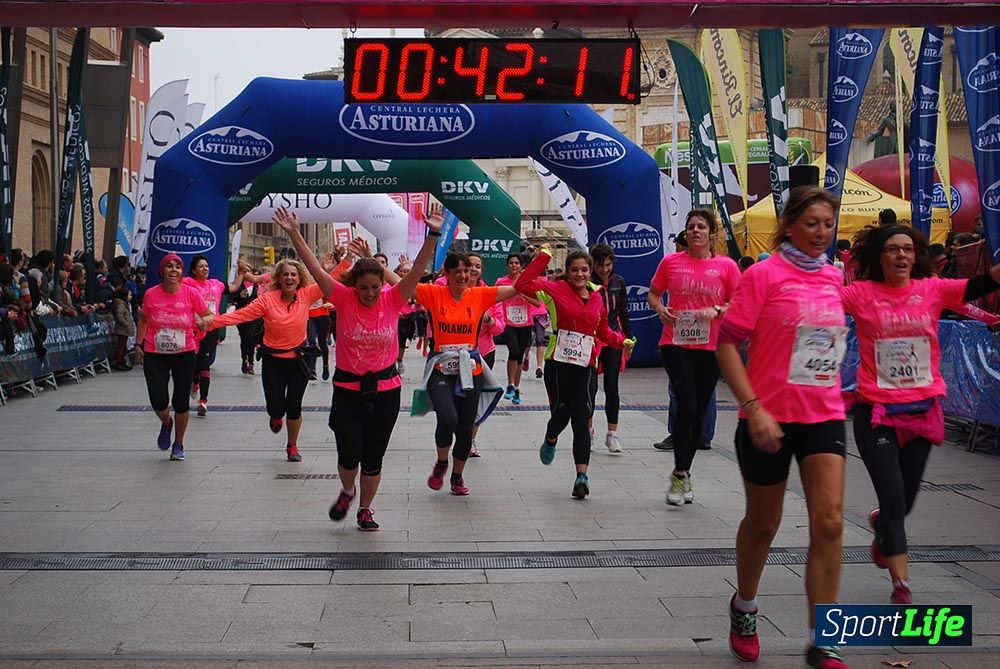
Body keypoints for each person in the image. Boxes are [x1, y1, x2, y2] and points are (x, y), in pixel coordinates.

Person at [715, 187, 850, 668]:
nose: (821, 232)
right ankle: (745, 606)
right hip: (767, 419)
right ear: (789, 225)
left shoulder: (835, 276)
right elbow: (727, 344)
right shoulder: (763, 275)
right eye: (811, 223)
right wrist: (754, 408)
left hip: (824, 413)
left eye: (828, 224)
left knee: (830, 522)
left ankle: (824, 639)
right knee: (764, 524)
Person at [842, 224, 1000, 605]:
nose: (901, 255)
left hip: (922, 410)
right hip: (875, 412)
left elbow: (981, 284)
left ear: (916, 256)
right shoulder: (860, 294)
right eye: (892, 249)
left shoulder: (932, 289)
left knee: (904, 502)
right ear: (879, 256)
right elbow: (811, 303)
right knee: (894, 498)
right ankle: (901, 585)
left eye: (908, 249)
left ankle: (884, 526)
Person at [281, 206, 440, 531]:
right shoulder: (342, 297)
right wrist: (294, 232)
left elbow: (416, 272)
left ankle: (365, 509)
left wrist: (433, 234)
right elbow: (314, 268)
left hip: (386, 391)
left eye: (374, 287)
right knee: (348, 452)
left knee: (373, 456)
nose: (369, 294)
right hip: (347, 390)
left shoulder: (394, 298)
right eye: (363, 288)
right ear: (354, 286)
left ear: (382, 285)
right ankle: (347, 490)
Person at [208, 208, 335, 463]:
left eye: (293, 274)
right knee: (276, 406)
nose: (289, 278)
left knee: (294, 405)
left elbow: (330, 281)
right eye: (285, 274)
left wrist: (337, 264)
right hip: (274, 360)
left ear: (299, 279)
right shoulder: (267, 299)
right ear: (278, 278)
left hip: (299, 359)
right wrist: (213, 322)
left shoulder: (307, 294)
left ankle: (292, 446)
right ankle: (276, 416)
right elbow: (241, 315)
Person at [516, 246, 633, 498]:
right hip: (559, 366)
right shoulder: (554, 289)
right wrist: (544, 257)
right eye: (575, 270)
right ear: (568, 273)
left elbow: (602, 331)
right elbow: (522, 284)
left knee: (581, 417)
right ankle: (551, 437)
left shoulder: (598, 296)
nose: (580, 274)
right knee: (562, 414)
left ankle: (582, 476)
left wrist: (621, 341)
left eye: (584, 270)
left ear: (590, 272)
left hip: (585, 365)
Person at [648, 209, 740, 506]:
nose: (695, 231)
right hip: (675, 343)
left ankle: (684, 471)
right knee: (686, 405)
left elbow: (739, 302)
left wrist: (718, 310)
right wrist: (661, 309)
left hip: (711, 347)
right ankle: (679, 473)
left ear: (711, 233)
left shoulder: (726, 266)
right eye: (691, 227)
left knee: (699, 412)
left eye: (701, 226)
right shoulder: (670, 262)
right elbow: (653, 293)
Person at [412, 252, 519, 496]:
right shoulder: (433, 293)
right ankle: (442, 462)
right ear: (447, 274)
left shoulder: (480, 295)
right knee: (447, 418)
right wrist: (373, 263)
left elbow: (515, 289)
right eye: (457, 271)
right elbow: (403, 285)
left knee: (465, 427)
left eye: (466, 271)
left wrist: (539, 265)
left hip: (471, 369)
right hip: (440, 367)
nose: (463, 276)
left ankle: (457, 476)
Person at [134, 254, 214, 462]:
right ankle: (166, 422)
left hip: (184, 352)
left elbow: (208, 314)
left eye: (177, 267)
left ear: (182, 272)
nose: (173, 270)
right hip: (155, 352)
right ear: (162, 271)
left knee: (180, 401)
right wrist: (138, 344)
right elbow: (144, 320)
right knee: (158, 399)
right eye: (169, 266)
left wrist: (204, 322)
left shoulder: (190, 293)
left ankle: (178, 443)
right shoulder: (151, 294)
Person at [433, 252, 506, 457]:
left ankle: (470, 439)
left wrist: (488, 320)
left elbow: (500, 328)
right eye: (468, 267)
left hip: (480, 355)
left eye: (476, 267)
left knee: (472, 406)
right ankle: (446, 443)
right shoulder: (443, 288)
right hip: (448, 357)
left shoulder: (489, 293)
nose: (472, 270)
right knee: (449, 411)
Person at [184, 254, 244, 416]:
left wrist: (241, 273)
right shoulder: (189, 283)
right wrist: (172, 259)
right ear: (194, 271)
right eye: (201, 266)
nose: (205, 269)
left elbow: (233, 287)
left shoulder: (216, 284)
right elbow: (172, 281)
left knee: (205, 363)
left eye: (206, 266)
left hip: (211, 329)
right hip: (193, 330)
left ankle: (203, 401)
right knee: (193, 362)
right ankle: (195, 381)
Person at [588, 243, 633, 453]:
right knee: (589, 388)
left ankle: (612, 434)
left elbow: (624, 312)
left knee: (611, 386)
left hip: (613, 337)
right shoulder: (587, 283)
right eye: (600, 265)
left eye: (608, 265)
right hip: (591, 339)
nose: (604, 269)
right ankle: (588, 432)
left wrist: (629, 338)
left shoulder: (618, 282)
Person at [496, 253, 541, 404]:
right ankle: (509, 384)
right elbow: (495, 298)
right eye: (511, 263)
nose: (514, 265)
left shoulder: (527, 282)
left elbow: (537, 302)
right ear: (507, 265)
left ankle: (516, 387)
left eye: (517, 263)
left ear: (521, 266)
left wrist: (521, 293)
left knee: (520, 356)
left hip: (525, 323)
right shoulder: (501, 281)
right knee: (514, 352)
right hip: (508, 323)